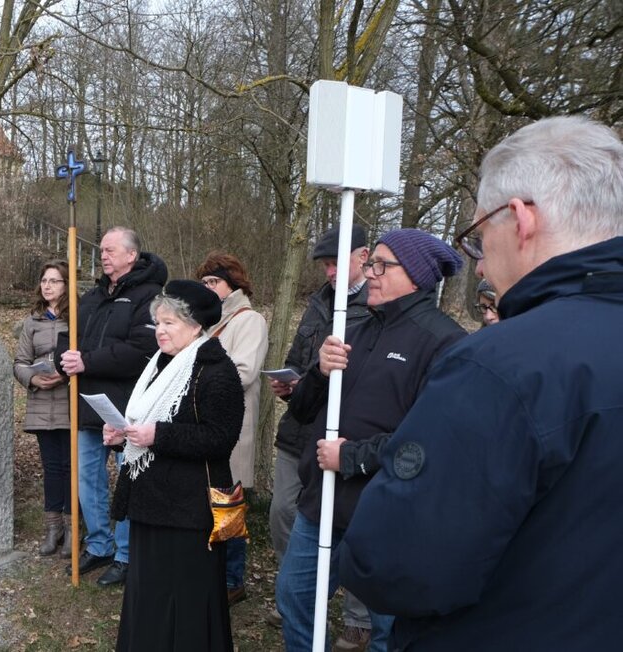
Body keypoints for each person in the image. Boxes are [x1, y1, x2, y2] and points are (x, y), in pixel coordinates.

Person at [340, 116, 623, 650]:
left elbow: (400, 563)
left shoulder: (499, 365)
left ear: (519, 218)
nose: (480, 263)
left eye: (476, 237)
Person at [276, 229, 467, 652]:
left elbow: (431, 442)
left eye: (381, 265)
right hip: (323, 501)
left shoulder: (445, 342)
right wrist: (318, 372)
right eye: (370, 263)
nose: (370, 273)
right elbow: (304, 410)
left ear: (415, 275)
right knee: (294, 596)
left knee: (388, 626)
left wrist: (352, 458)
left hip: (387, 509)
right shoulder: (356, 328)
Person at [107, 280, 244, 651]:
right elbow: (147, 419)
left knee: (187, 596)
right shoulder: (158, 365)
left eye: (170, 323)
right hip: (151, 502)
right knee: (149, 592)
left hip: (190, 509)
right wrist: (124, 433)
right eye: (158, 323)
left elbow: (220, 438)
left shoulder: (217, 370)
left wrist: (158, 435)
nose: (160, 331)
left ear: (196, 325)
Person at [267, 224, 374, 649]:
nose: (329, 272)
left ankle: (358, 616)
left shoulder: (377, 307)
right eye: (326, 265)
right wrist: (291, 382)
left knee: (352, 530)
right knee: (282, 511)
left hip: (344, 437)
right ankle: (295, 594)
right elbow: (298, 357)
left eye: (336, 263)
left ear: (363, 257)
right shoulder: (318, 303)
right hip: (300, 429)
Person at [58, 226, 167, 587]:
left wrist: (88, 361)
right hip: (87, 404)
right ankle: (99, 544)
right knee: (87, 480)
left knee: (127, 482)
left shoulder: (150, 297)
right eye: (101, 250)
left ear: (131, 255)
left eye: (109, 250)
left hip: (127, 407)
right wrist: (66, 358)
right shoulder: (92, 296)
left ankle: (126, 554)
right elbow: (67, 336)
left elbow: (142, 350)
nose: (103, 255)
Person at [194, 252, 269, 606]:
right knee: (211, 502)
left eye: (214, 282)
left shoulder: (248, 320)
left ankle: (232, 580)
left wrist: (199, 379)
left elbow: (244, 371)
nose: (208, 288)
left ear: (233, 284)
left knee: (230, 504)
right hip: (206, 426)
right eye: (204, 283)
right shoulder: (209, 322)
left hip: (234, 425)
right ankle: (211, 574)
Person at [13, 261, 73, 557]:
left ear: (66, 285)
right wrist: (33, 378)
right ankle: (53, 529)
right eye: (44, 280)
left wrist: (66, 375)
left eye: (55, 281)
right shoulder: (31, 321)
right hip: (40, 404)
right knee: (51, 468)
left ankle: (74, 528)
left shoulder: (77, 319)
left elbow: (86, 357)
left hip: (70, 402)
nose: (48, 285)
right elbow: (19, 363)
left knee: (70, 468)